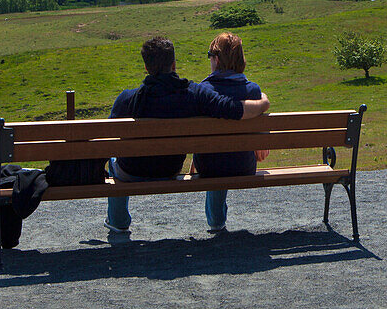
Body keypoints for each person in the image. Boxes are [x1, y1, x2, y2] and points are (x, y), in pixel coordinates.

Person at [104, 36, 269, 237]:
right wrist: (263, 104)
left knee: (113, 162)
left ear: (146, 68)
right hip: (169, 168)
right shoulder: (193, 94)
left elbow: (108, 140)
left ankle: (119, 222)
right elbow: (233, 109)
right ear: (173, 64)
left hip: (130, 171)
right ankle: (216, 221)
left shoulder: (126, 99)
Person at [191, 32, 271, 232]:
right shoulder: (254, 92)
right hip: (243, 165)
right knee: (228, 153)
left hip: (208, 167)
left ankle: (217, 221)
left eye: (210, 55)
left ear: (216, 59)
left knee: (217, 156)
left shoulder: (203, 90)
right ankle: (217, 220)